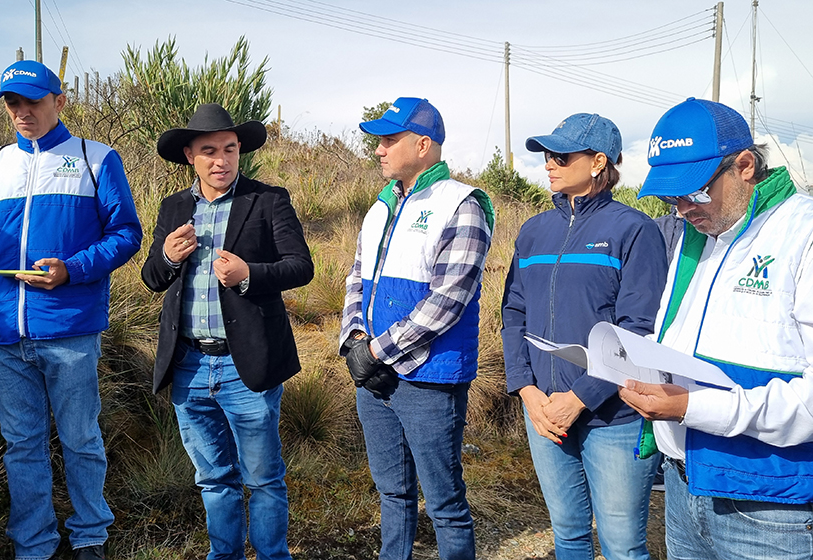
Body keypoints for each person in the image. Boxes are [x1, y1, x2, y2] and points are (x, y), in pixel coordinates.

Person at [0, 60, 142, 560]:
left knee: (80, 437)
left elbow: (126, 235)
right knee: (22, 444)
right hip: (3, 335)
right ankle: (33, 543)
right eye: (12, 103)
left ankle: (90, 534)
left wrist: (71, 270)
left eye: (32, 101)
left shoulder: (96, 159)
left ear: (59, 102)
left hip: (69, 328)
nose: (21, 112)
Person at [619, 97, 813, 560]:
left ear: (745, 165)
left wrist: (695, 407)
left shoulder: (801, 234)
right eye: (671, 198)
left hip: (767, 506)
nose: (683, 209)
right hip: (685, 489)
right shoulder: (699, 236)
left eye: (695, 192)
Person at [141, 103, 313, 560]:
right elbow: (153, 278)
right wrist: (169, 258)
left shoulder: (267, 199)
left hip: (247, 366)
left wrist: (248, 274)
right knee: (213, 478)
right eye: (210, 151)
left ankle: (274, 556)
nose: (222, 160)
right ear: (189, 156)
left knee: (263, 478)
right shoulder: (174, 206)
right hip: (189, 365)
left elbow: (301, 266)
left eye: (231, 149)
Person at [501, 113, 668, 560]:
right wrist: (527, 390)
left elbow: (638, 329)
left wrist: (578, 398)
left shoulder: (634, 229)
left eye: (560, 155)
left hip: (615, 417)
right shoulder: (534, 230)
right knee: (568, 534)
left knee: (622, 544)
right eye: (546, 155)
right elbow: (514, 310)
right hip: (544, 413)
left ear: (598, 162)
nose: (548, 164)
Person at [339, 97, 494, 560]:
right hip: (375, 374)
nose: (379, 150)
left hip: (430, 379)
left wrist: (378, 352)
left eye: (390, 140)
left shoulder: (461, 205)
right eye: (378, 141)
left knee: (445, 504)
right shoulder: (380, 207)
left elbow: (447, 301)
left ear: (423, 145)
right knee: (392, 494)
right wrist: (353, 342)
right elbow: (356, 278)